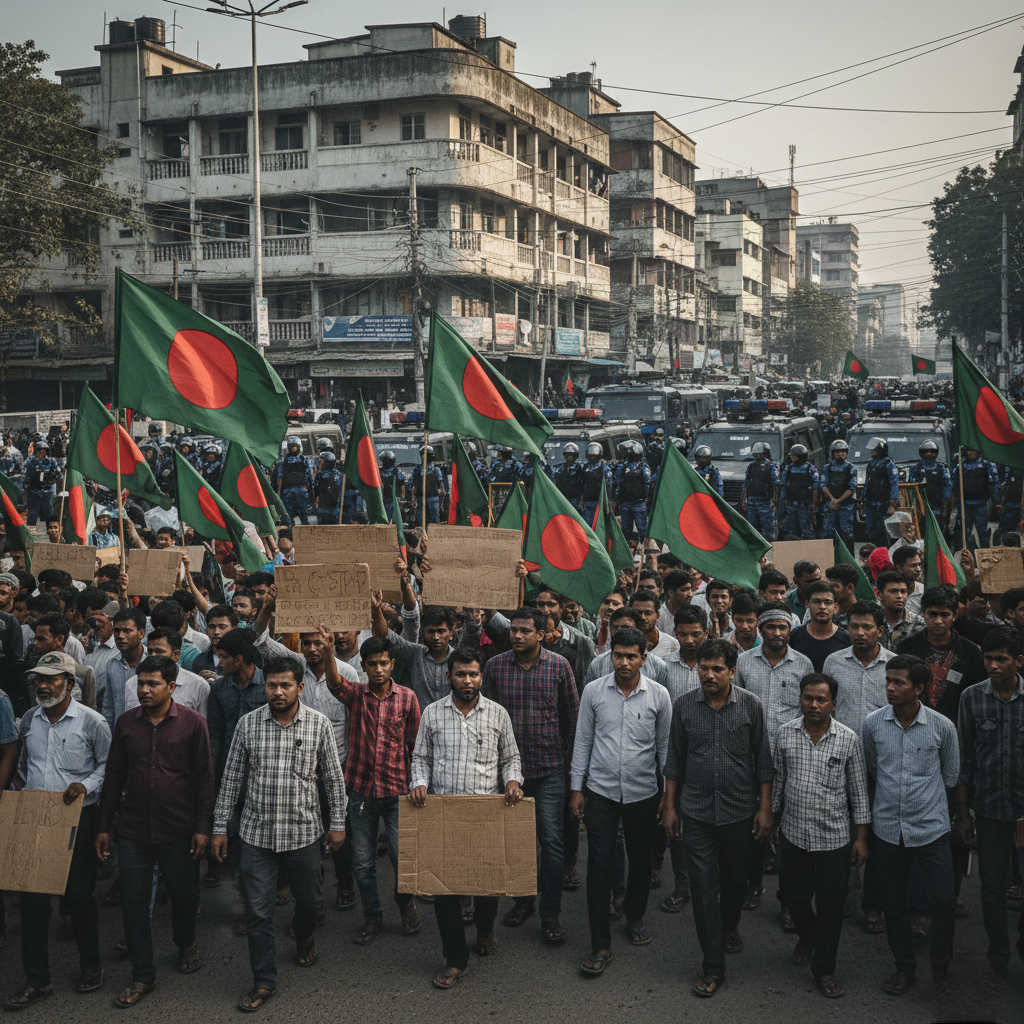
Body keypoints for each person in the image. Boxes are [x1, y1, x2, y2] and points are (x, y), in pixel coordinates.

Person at [211, 656, 347, 1012]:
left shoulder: (318, 725)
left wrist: (338, 824)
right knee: (257, 913)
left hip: (304, 835)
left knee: (311, 902)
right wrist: (219, 827)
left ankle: (303, 937)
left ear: (300, 687)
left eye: (285, 685)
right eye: (272, 685)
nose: (278, 692)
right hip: (256, 835)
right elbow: (231, 780)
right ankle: (264, 980)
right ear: (265, 687)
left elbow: (333, 780)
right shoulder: (247, 724)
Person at [96, 655, 213, 1009]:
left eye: (152, 684)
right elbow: (114, 775)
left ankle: (185, 942)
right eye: (140, 683)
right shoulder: (126, 724)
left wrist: (203, 827)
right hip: (133, 829)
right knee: (133, 903)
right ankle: (142, 974)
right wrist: (103, 826)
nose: (144, 690)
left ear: (171, 687)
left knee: (184, 895)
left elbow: (204, 777)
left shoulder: (192, 724)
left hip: (178, 828)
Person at [662, 638, 773, 998]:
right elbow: (675, 761)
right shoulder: (683, 707)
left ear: (732, 671)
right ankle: (713, 966)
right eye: (703, 668)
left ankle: (730, 926)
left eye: (717, 669)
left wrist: (764, 809)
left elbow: (764, 764)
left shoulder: (751, 707)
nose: (708, 675)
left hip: (740, 812)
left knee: (735, 883)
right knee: (703, 889)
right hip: (696, 814)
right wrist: (670, 807)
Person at [409, 647, 524, 990]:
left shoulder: (498, 714)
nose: (468, 681)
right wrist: (419, 784)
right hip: (443, 814)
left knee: (487, 888)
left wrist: (513, 781)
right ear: (449, 677)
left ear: (481, 677)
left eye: (474, 674)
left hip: (486, 813)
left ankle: (486, 928)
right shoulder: (431, 713)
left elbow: (511, 758)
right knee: (445, 892)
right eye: (461, 674)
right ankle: (455, 959)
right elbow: (419, 758)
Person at [7, 653, 110, 1009]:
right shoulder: (30, 721)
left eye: (51, 679)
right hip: (36, 819)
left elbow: (107, 766)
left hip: (76, 821)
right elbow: (22, 767)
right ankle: (38, 980)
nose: (43, 685)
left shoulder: (92, 722)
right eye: (39, 679)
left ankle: (90, 965)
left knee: (79, 898)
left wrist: (85, 786)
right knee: (33, 904)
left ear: (70, 684)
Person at [570, 626, 671, 975]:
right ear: (609, 655)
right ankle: (600, 942)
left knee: (641, 861)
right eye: (618, 655)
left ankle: (635, 917)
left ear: (644, 658)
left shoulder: (658, 696)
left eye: (631, 656)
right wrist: (577, 789)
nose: (624, 662)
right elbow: (582, 742)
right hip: (600, 792)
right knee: (599, 865)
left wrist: (667, 796)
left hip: (644, 793)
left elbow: (664, 750)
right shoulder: (594, 692)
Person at [863, 655, 960, 995]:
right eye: (888, 680)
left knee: (943, 902)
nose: (890, 687)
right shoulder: (873, 724)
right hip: (888, 829)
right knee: (894, 905)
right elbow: (873, 768)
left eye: (899, 682)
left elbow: (950, 775)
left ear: (919, 688)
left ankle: (941, 967)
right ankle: (904, 967)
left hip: (931, 829)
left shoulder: (941, 727)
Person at [482, 606, 578, 942]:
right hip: (509, 772)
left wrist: (571, 774)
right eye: (514, 630)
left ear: (542, 634)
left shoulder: (559, 666)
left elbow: (572, 720)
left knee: (551, 843)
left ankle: (550, 915)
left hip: (550, 769)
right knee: (516, 844)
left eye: (525, 631)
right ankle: (524, 901)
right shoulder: (494, 667)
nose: (518, 636)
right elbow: (487, 719)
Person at [773, 673, 871, 999]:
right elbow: (777, 784)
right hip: (793, 832)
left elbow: (858, 793)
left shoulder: (848, 739)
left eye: (821, 700)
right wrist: (769, 819)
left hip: (835, 838)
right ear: (800, 699)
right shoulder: (785, 735)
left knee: (831, 906)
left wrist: (861, 838)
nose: (813, 705)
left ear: (834, 703)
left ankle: (824, 968)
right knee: (794, 897)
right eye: (807, 698)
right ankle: (807, 935)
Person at [324, 634, 421, 944]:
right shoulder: (357, 695)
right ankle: (373, 918)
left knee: (399, 856)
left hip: (397, 791)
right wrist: (328, 650)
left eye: (384, 663)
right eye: (372, 664)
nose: (378, 669)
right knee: (363, 862)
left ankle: (405, 905)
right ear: (363, 666)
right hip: (362, 791)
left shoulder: (407, 697)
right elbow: (334, 683)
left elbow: (416, 746)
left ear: (392, 664)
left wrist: (418, 784)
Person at [955, 626, 1024, 975]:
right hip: (990, 811)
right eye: (988, 659)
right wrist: (964, 813)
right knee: (992, 888)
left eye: (1001, 659)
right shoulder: (972, 697)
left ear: (1018, 662)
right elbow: (965, 757)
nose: (993, 665)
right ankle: (999, 952)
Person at [123, 628, 210, 716]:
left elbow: (202, 725)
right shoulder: (132, 684)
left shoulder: (198, 686)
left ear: (176, 655)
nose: (153, 656)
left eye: (159, 651)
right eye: (150, 652)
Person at [99, 607, 147, 729]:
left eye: (127, 631)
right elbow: (108, 707)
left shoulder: (153, 662)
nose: (120, 636)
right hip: (121, 736)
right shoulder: (112, 664)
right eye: (117, 630)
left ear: (141, 633)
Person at [789, 583, 851, 673]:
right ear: (807, 604)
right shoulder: (794, 636)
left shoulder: (846, 639)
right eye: (816, 602)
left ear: (836, 607)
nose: (822, 607)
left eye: (828, 603)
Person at [952, 446, 999, 550]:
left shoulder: (987, 465)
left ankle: (984, 559)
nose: (971, 453)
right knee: (964, 535)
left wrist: (995, 502)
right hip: (965, 506)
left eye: (973, 450)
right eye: (969, 450)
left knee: (983, 535)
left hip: (981, 506)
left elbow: (994, 484)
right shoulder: (960, 466)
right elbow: (954, 485)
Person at [861, 438, 899, 547]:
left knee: (884, 530)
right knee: (871, 529)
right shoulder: (871, 464)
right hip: (870, 502)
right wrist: (863, 500)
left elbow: (894, 483)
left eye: (874, 450)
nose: (871, 452)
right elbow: (867, 483)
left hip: (884, 503)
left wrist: (893, 503)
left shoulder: (889, 464)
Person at [819, 439, 857, 547]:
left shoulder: (851, 468)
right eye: (837, 452)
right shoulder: (827, 468)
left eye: (843, 452)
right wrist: (833, 500)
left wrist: (839, 500)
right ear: (833, 453)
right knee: (828, 535)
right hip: (831, 506)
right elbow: (823, 485)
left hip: (846, 506)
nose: (840, 455)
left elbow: (852, 487)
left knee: (847, 535)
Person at [874, 570, 924, 650]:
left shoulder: (919, 624)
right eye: (893, 591)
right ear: (879, 595)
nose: (899, 596)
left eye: (903, 591)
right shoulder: (871, 623)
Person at [910, 440, 952, 531]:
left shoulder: (942, 468)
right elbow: (911, 486)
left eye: (932, 452)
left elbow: (947, 485)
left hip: (937, 507)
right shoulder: (916, 468)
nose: (929, 454)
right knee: (921, 531)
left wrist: (946, 506)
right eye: (926, 452)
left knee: (938, 531)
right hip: (921, 508)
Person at [741, 441, 779, 542]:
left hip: (765, 501)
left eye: (760, 454)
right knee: (752, 528)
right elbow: (746, 484)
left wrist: (774, 501)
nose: (758, 456)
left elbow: (775, 485)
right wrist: (745, 500)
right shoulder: (751, 467)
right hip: (752, 500)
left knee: (769, 528)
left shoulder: (771, 467)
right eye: (756, 454)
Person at [780, 444, 819, 541]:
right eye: (791, 456)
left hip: (805, 505)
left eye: (795, 456)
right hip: (791, 505)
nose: (792, 458)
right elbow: (784, 485)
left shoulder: (810, 469)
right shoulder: (788, 468)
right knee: (790, 531)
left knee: (807, 532)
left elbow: (816, 487)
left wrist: (814, 503)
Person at [628, 587, 679, 658]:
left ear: (657, 615)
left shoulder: (672, 645)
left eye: (648, 613)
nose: (643, 617)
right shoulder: (622, 643)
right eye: (638, 613)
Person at [614, 440, 650, 536]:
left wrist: (647, 501)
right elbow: (618, 484)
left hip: (639, 503)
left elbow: (647, 485)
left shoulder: (644, 467)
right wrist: (617, 500)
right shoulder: (622, 467)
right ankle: (629, 548)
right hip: (625, 503)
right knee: (626, 530)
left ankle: (643, 547)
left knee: (642, 529)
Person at [23, 437, 58, 526]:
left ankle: (51, 531)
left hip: (47, 491)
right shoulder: (31, 460)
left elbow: (58, 475)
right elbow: (24, 471)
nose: (41, 452)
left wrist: (50, 480)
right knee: (32, 514)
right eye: (39, 450)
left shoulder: (51, 461)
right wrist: (27, 482)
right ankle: (31, 532)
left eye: (44, 450)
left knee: (49, 514)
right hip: (34, 491)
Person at [277, 436, 312, 524]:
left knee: (303, 516)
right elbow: (280, 478)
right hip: (289, 492)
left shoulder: (303, 460)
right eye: (292, 446)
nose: (293, 448)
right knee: (289, 518)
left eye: (295, 446)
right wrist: (279, 493)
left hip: (299, 492)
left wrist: (310, 492)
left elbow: (308, 477)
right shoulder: (284, 462)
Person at [411, 445, 446, 524]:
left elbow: (441, 487)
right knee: (421, 522)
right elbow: (413, 485)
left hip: (433, 499)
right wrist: (413, 498)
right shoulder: (417, 470)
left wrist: (442, 499)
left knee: (434, 522)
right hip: (421, 499)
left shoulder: (436, 470)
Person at [581, 442, 613, 526]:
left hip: (600, 502)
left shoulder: (605, 469)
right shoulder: (585, 468)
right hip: (588, 502)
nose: (593, 457)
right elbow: (582, 484)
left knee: (600, 525)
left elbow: (609, 486)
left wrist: (608, 501)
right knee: (587, 525)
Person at [891, 546, 925, 617]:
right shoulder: (888, 591)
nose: (918, 569)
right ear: (899, 568)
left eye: (919, 564)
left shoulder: (923, 590)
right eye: (913, 565)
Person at [657, 569, 693, 634]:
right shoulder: (659, 617)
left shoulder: (694, 613)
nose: (690, 594)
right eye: (684, 590)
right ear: (671, 593)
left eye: (691, 589)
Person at [823, 563, 859, 628]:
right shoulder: (827, 614)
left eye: (835, 586)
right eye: (829, 586)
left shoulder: (863, 616)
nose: (830, 590)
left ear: (850, 588)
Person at [552, 443, 585, 510]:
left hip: (574, 499)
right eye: (568, 455)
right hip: (562, 498)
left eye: (571, 455)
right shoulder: (560, 468)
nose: (569, 457)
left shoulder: (578, 468)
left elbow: (582, 484)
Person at [378, 450, 405, 519]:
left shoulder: (395, 471)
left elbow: (402, 485)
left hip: (393, 500)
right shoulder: (379, 472)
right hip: (383, 500)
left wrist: (402, 498)